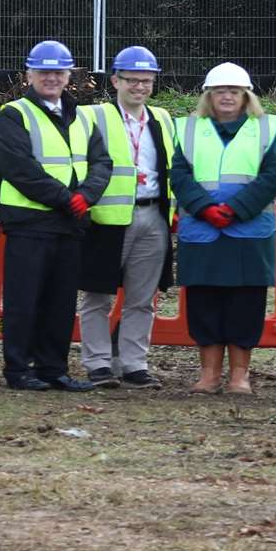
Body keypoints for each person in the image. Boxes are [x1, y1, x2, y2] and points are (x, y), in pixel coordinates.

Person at [0, 40, 112, 391]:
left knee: (60, 301)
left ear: (69, 75)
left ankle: (52, 368)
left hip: (70, 223)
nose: (51, 78)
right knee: (24, 300)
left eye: (58, 72)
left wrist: (86, 196)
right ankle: (18, 369)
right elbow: (18, 168)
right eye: (44, 72)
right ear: (29, 74)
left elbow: (102, 162)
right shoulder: (14, 114)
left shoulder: (82, 116)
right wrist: (65, 199)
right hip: (30, 221)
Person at [172, 63, 276, 395]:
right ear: (208, 95)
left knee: (245, 304)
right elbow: (179, 174)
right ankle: (209, 375)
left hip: (248, 232)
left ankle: (239, 376)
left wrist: (235, 210)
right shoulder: (189, 130)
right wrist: (205, 207)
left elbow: (272, 176)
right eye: (220, 91)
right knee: (204, 304)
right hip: (202, 232)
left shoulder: (264, 130)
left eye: (234, 91)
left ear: (246, 96)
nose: (227, 97)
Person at [76, 45, 174, 389]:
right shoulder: (94, 116)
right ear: (115, 80)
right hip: (107, 217)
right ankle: (98, 363)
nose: (139, 87)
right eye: (132, 80)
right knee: (97, 295)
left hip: (152, 215)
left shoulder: (161, 118)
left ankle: (134, 364)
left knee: (142, 298)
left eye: (146, 81)